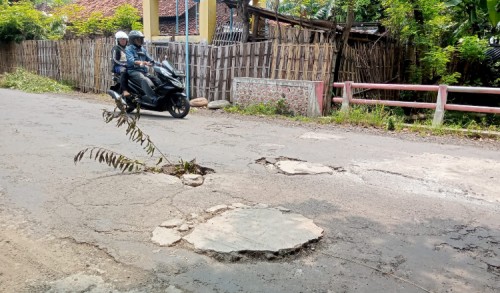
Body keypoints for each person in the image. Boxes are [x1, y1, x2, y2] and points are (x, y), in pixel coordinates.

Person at [125, 30, 161, 105]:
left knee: (157, 80)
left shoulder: (142, 49)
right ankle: (152, 98)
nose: (141, 41)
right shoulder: (128, 49)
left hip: (144, 71)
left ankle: (160, 96)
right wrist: (142, 63)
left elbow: (150, 59)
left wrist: (160, 64)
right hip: (133, 71)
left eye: (141, 39)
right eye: (139, 39)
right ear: (133, 40)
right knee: (144, 80)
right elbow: (131, 61)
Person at [111, 31, 130, 97]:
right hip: (118, 67)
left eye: (124, 39)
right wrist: (124, 64)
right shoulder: (116, 49)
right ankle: (125, 90)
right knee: (124, 71)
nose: (123, 41)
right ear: (118, 40)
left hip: (128, 65)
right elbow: (115, 60)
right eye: (121, 39)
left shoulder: (128, 48)